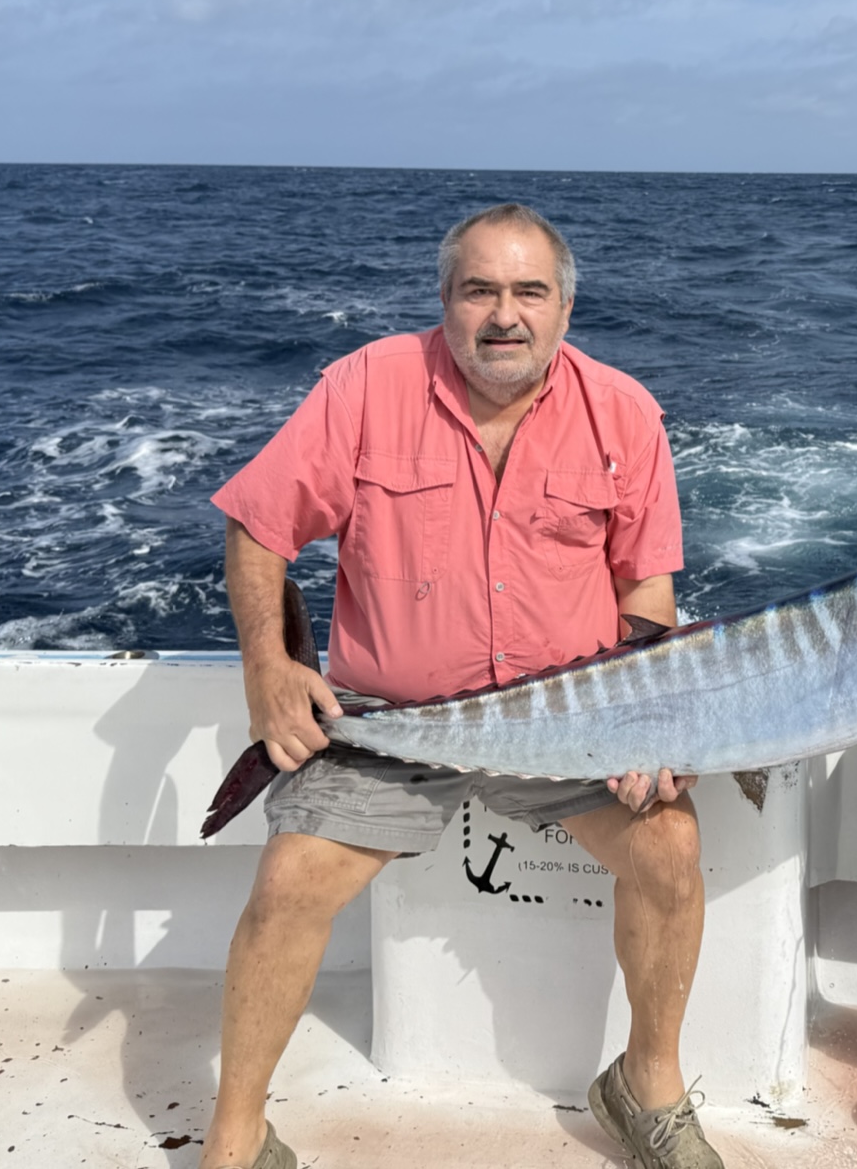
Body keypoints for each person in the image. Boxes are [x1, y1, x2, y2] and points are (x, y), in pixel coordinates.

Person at [198, 203, 722, 1169]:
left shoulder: (625, 411)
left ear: (565, 306)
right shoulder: (364, 386)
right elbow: (259, 526)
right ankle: (235, 1133)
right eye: (480, 290)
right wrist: (268, 670)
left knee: (671, 848)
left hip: (570, 721)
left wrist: (650, 728)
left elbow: (645, 592)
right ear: (445, 301)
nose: (504, 315)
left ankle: (645, 1085)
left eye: (530, 291)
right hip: (397, 724)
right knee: (289, 880)